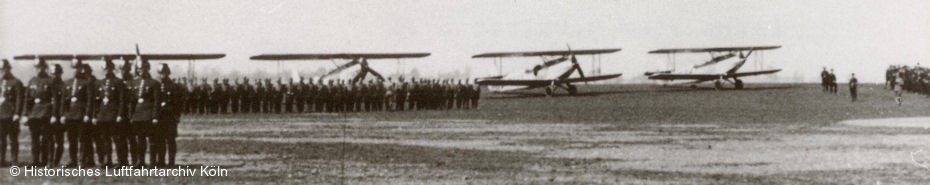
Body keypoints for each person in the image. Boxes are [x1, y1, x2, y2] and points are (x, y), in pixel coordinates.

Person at [62, 59, 95, 167]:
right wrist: (63, 114)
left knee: (82, 139)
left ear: (81, 69)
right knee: (71, 140)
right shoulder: (67, 82)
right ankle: (73, 160)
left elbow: (90, 100)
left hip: (81, 114)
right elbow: (64, 100)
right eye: (74, 68)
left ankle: (81, 160)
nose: (76, 70)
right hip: (70, 114)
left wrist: (87, 114)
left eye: (78, 68)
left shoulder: (87, 82)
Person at [129, 59, 160, 166]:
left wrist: (155, 116)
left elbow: (156, 101)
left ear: (147, 69)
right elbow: (132, 101)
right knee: (140, 139)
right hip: (138, 115)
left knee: (152, 139)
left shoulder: (154, 83)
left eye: (143, 68)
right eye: (139, 69)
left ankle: (152, 162)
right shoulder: (135, 82)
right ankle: (140, 161)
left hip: (149, 114)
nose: (140, 70)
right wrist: (131, 115)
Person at [94, 59, 125, 167]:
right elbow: (97, 101)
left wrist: (120, 114)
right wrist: (95, 115)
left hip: (113, 114)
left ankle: (121, 161)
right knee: (105, 139)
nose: (106, 71)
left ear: (112, 68)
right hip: (102, 115)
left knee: (117, 139)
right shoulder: (99, 82)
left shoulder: (118, 82)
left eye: (107, 68)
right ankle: (108, 161)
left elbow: (121, 100)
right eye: (104, 69)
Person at [155, 64, 182, 167]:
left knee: (170, 140)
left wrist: (177, 116)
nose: (163, 75)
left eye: (164, 73)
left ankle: (171, 162)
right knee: (160, 139)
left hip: (170, 116)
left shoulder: (174, 87)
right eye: (161, 73)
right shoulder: (156, 85)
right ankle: (161, 161)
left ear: (168, 73)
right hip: (160, 116)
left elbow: (178, 103)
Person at [0, 59, 23, 166]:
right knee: (1, 139)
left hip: (11, 115)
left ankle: (14, 160)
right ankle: (1, 160)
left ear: (8, 69)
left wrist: (17, 113)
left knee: (13, 139)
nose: (2, 72)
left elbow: (19, 99)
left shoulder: (16, 82)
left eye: (3, 69)